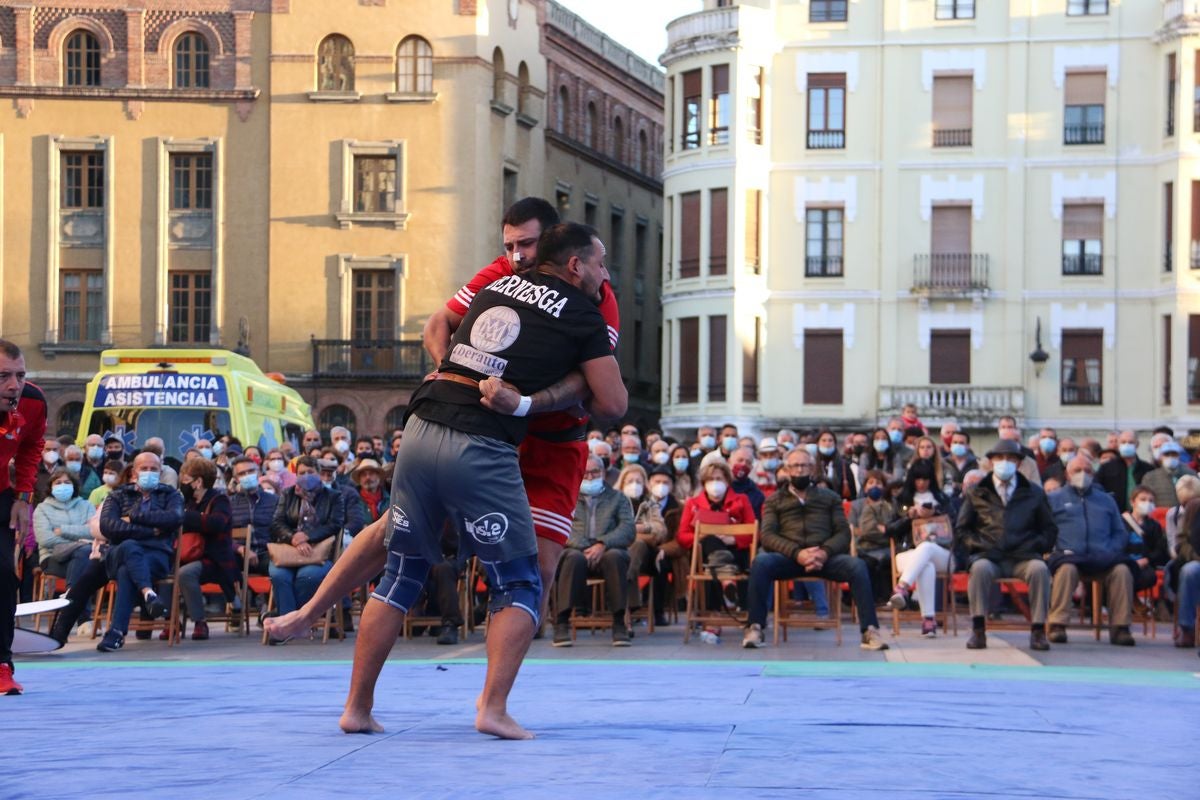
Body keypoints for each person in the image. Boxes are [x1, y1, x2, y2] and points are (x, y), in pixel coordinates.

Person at [277, 222, 625, 740]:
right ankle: (493, 708)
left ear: (545, 247)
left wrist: (459, 377)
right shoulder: (578, 306)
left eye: (525, 245)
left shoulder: (500, 285)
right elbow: (612, 403)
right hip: (485, 440)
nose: (606, 274)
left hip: (430, 423)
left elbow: (445, 323)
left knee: (401, 571)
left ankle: (356, 706)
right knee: (521, 582)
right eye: (600, 263)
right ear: (576, 264)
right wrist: (516, 398)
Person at [741, 447, 889, 650]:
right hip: (789, 558)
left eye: (804, 465)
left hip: (825, 558)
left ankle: (870, 630)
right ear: (787, 469)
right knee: (761, 563)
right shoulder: (775, 500)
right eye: (795, 466)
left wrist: (824, 552)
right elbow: (767, 536)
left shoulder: (830, 498)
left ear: (812, 468)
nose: (799, 470)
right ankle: (755, 627)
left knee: (857, 566)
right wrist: (797, 553)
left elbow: (843, 533)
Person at [957, 439, 1057, 651]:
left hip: (1023, 556)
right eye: (1000, 458)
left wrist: (1033, 546)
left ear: (1019, 463)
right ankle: (978, 629)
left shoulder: (1034, 492)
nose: (1005, 462)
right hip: (989, 555)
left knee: (1040, 570)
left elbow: (1049, 530)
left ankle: (1038, 630)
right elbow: (962, 529)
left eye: (1010, 458)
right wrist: (979, 546)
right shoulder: (977, 491)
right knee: (979, 569)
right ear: (991, 462)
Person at [1046, 455, 1135, 646]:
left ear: (1093, 474)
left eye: (1087, 471)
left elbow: (1120, 532)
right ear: (1067, 475)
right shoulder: (1053, 499)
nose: (1082, 474)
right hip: (1068, 557)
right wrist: (1056, 549)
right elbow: (1045, 530)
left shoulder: (1106, 500)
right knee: (1066, 570)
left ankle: (1120, 627)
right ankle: (1057, 624)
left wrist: (1110, 550)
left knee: (1122, 571)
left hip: (1102, 557)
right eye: (1077, 470)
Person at [0, 341, 47, 695]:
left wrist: (24, 496)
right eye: (3, 376)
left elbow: (31, 448)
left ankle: (2, 665)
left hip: (2, 492)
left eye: (20, 375)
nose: (14, 385)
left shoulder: (33, 401)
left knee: (4, 575)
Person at [551, 456, 636, 646]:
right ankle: (562, 623)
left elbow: (628, 529)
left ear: (603, 473)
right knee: (573, 558)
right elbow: (561, 526)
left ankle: (619, 624)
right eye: (586, 473)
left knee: (615, 557)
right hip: (577, 550)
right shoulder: (568, 497)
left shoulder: (618, 497)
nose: (590, 476)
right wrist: (584, 546)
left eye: (595, 472)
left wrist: (602, 544)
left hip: (608, 550)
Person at [268, 455, 345, 630]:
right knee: (279, 576)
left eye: (310, 472)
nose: (306, 476)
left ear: (319, 473)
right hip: (288, 551)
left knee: (308, 577)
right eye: (301, 473)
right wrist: (294, 538)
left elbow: (335, 524)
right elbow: (277, 523)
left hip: (318, 553)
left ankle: (290, 621)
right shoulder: (288, 494)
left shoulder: (333, 496)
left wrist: (308, 536)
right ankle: (290, 624)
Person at [888, 461, 955, 637]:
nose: (922, 483)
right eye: (918, 479)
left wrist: (937, 514)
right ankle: (929, 621)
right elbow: (890, 530)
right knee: (926, 566)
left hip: (941, 552)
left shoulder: (942, 500)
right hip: (908, 552)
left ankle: (901, 587)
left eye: (925, 479)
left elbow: (956, 525)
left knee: (926, 548)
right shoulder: (902, 500)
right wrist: (908, 517)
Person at [175, 458, 237, 641]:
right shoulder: (187, 502)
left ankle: (199, 622)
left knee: (185, 573)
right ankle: (170, 621)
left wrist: (186, 517)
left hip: (215, 559)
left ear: (198, 482)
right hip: (188, 554)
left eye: (185, 480)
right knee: (166, 568)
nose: (182, 484)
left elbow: (217, 523)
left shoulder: (219, 500)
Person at [32, 468, 96, 590]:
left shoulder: (87, 506)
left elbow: (93, 532)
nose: (63, 486)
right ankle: (75, 599)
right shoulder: (42, 509)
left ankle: (70, 596)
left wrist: (63, 530)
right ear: (51, 487)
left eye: (67, 482)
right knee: (84, 557)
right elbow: (45, 539)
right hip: (52, 557)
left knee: (82, 555)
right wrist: (79, 542)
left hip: (84, 555)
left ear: (74, 486)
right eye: (58, 483)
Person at [229, 455, 278, 578]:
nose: (247, 475)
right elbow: (221, 534)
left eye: (251, 471)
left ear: (259, 473)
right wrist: (240, 548)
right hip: (238, 555)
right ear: (236, 479)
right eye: (242, 474)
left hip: (268, 553)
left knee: (279, 572)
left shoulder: (274, 500)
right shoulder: (228, 503)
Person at [1122, 484, 1170, 594]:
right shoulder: (1121, 522)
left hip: (1144, 566)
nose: (1147, 503)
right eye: (1143, 499)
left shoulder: (1154, 526)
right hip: (1124, 563)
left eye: (1151, 500)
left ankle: (1132, 599)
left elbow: (1160, 550)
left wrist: (1147, 560)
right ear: (1132, 502)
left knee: (1149, 577)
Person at [1096, 430, 1153, 511]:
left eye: (1130, 442)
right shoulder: (1106, 467)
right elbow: (1097, 489)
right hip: (1115, 512)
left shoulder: (1147, 468)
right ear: (1118, 444)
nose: (1127, 445)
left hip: (1140, 514)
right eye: (1123, 442)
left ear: (1137, 444)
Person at [1142, 440, 1195, 509]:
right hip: (1160, 514)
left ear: (1179, 456)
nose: (1170, 457)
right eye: (1167, 454)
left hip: (1185, 514)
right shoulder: (1150, 477)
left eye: (1174, 454)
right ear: (1161, 456)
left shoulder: (1190, 474)